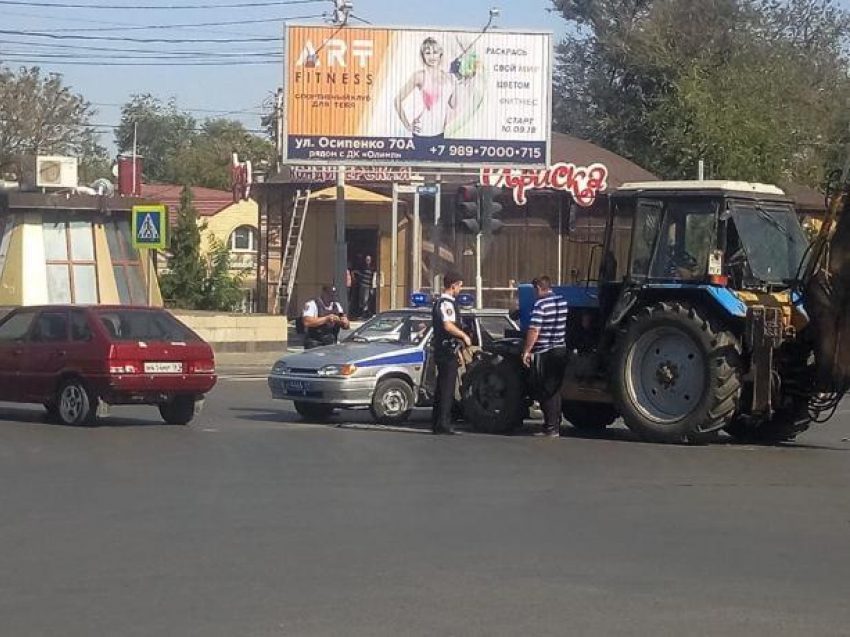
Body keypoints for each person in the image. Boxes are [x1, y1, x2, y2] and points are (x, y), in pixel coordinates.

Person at [522, 276, 569, 437]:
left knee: (546, 389)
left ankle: (551, 427)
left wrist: (527, 350)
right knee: (555, 388)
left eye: (534, 290)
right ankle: (555, 423)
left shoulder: (541, 305)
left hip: (545, 351)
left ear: (538, 288)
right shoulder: (562, 302)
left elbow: (534, 329)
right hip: (560, 349)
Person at [394, 37, 457, 148]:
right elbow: (397, 100)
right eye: (427, 53)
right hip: (421, 134)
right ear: (423, 56)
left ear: (440, 54)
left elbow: (453, 104)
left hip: (441, 133)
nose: (432, 56)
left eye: (435, 52)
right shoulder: (420, 76)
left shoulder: (449, 77)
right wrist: (407, 126)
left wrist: (456, 84)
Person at [431, 271, 471, 435]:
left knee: (442, 387)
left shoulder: (445, 302)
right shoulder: (446, 303)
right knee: (446, 389)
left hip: (448, 349)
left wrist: (459, 353)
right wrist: (464, 336)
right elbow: (448, 326)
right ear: (453, 285)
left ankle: (438, 422)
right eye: (460, 285)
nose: (460, 289)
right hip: (446, 350)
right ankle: (443, 424)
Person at [355, 255, 376, 319]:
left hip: (368, 286)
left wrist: (372, 288)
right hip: (362, 285)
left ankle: (365, 315)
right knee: (361, 300)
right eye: (366, 259)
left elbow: (373, 278)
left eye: (369, 260)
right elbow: (361, 274)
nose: (367, 261)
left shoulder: (372, 268)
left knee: (365, 300)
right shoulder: (363, 267)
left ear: (371, 260)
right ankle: (363, 314)